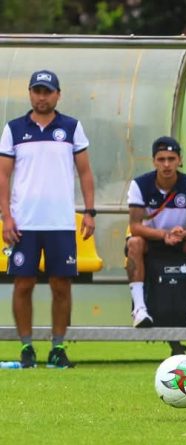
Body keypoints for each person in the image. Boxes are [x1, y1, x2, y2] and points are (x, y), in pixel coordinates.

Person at [0, 69, 95, 368]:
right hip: (24, 223)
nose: (42, 97)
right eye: (37, 91)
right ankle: (27, 347)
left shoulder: (71, 127)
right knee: (23, 284)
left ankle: (58, 347)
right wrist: (6, 217)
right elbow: (3, 175)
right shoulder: (14, 128)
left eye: (48, 91)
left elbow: (85, 172)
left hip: (60, 223)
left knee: (61, 285)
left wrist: (90, 212)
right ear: (30, 93)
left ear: (58, 94)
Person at [126, 136, 186, 328]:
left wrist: (181, 234)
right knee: (134, 242)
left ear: (180, 160)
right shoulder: (139, 185)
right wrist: (164, 235)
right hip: (152, 240)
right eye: (161, 159)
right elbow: (135, 227)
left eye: (171, 159)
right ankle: (139, 310)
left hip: (181, 240)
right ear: (153, 161)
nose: (166, 165)